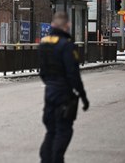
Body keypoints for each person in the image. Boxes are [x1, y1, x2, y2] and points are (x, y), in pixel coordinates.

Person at [39, 12, 89, 163]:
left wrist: (51, 84)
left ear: (53, 25)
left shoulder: (44, 43)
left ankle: (45, 160)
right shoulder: (67, 45)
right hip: (63, 94)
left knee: (51, 130)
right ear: (66, 26)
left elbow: (42, 72)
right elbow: (73, 74)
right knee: (64, 131)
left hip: (49, 92)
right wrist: (83, 96)